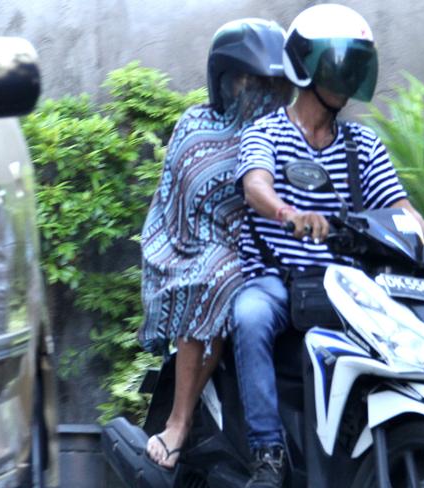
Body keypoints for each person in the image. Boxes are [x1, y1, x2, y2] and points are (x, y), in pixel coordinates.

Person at [232, 4, 424, 487]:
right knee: (251, 318)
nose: (346, 77)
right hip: (278, 278)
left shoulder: (362, 145)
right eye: (337, 64)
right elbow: (255, 185)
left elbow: (402, 211)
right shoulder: (266, 133)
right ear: (305, 65)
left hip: (348, 286)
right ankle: (268, 452)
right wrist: (290, 214)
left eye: (354, 65)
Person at [139, 18, 293, 470]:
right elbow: (181, 204)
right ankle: (179, 422)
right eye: (251, 81)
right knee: (213, 278)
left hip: (268, 250)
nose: (262, 93)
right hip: (191, 244)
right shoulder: (196, 125)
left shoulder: (285, 132)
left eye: (273, 84)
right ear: (225, 79)